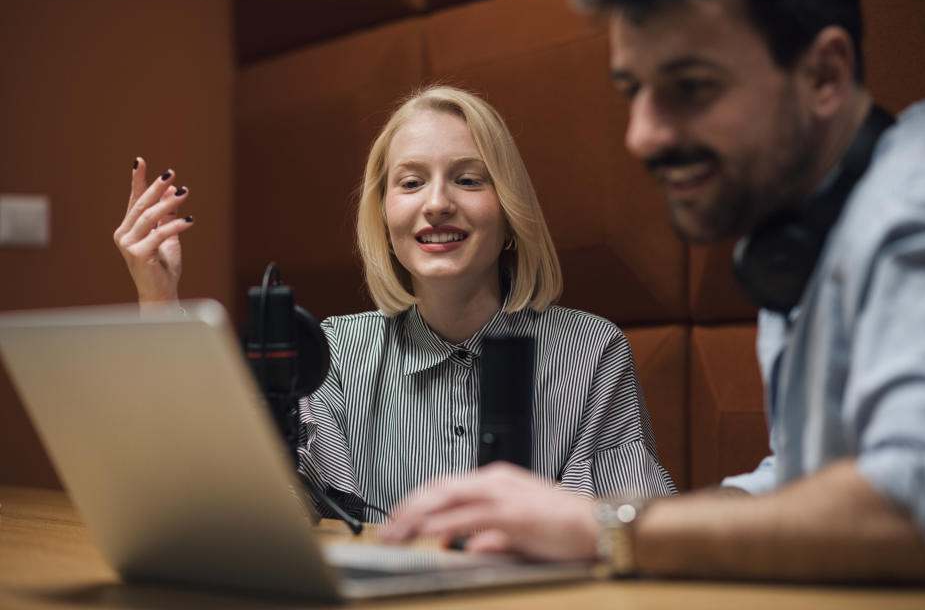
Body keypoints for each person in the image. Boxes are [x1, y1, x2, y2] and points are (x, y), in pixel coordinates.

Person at [384, 0, 925, 583]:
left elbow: (920, 508)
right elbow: (800, 482)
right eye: (633, 89)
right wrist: (622, 517)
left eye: (690, 87)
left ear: (822, 75)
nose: (641, 135)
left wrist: (607, 530)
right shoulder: (807, 237)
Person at [112, 85, 676, 522]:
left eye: (468, 180)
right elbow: (260, 507)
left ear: (509, 215)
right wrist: (160, 303)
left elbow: (631, 524)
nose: (437, 204)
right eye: (410, 183)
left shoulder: (591, 353)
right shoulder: (338, 351)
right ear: (384, 218)